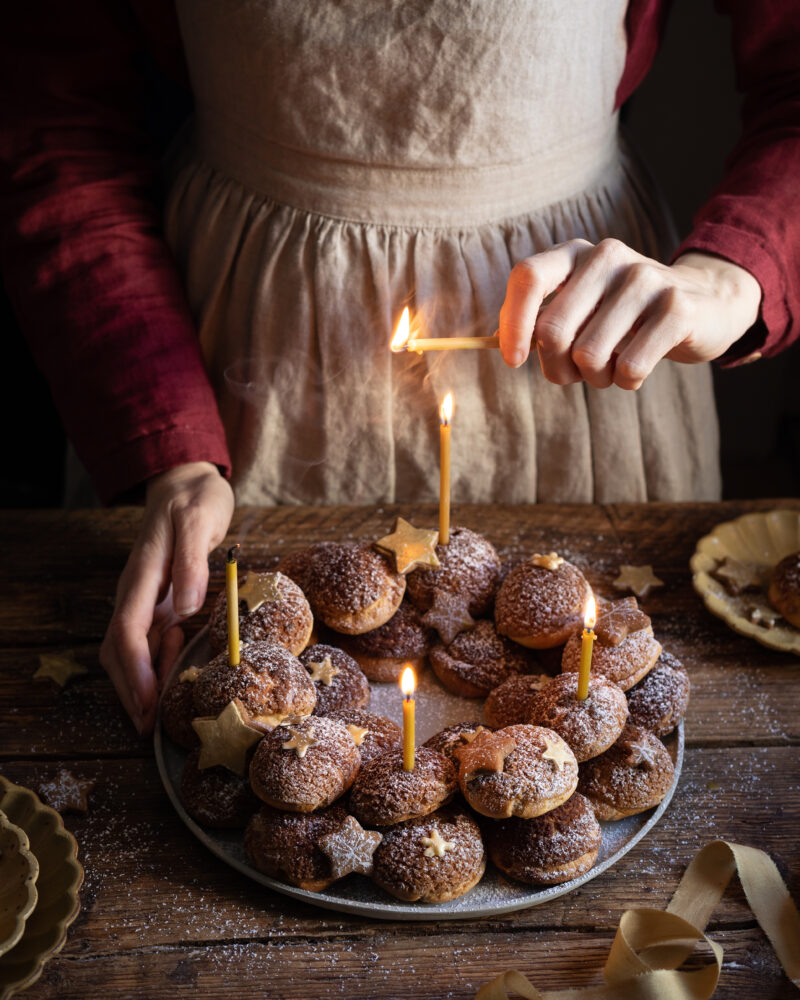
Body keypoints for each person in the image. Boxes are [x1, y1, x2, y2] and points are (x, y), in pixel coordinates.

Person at [1, 2, 798, 735]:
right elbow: (57, 111)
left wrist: (733, 277)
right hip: (225, 326)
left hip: (588, 330)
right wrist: (167, 447)